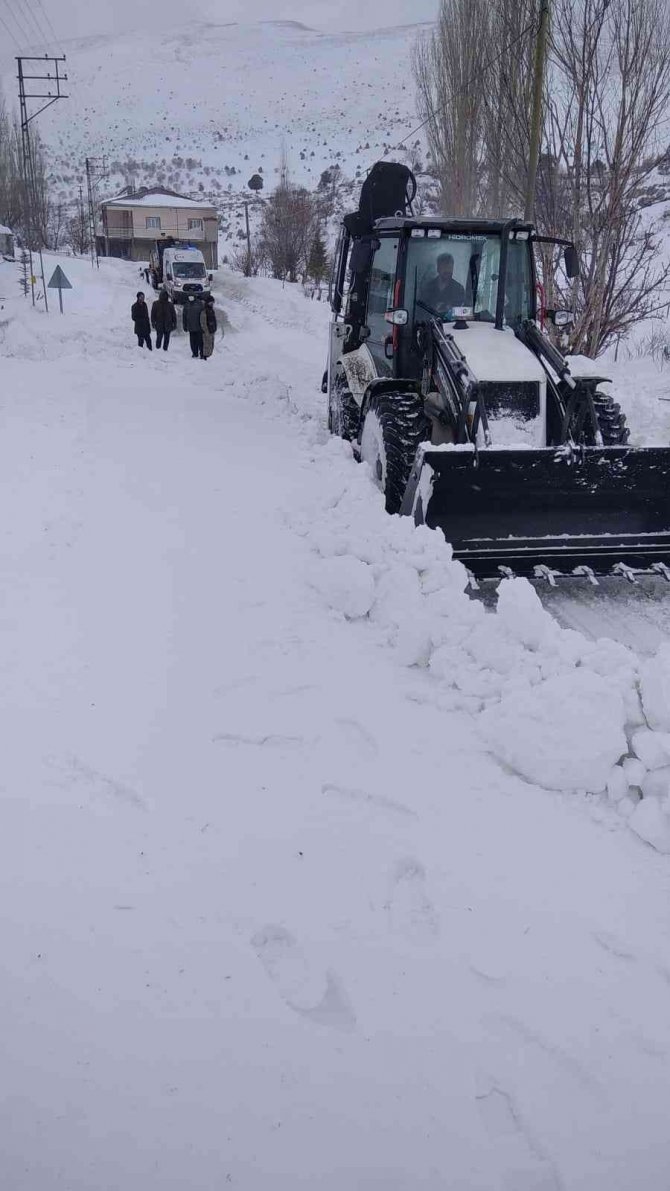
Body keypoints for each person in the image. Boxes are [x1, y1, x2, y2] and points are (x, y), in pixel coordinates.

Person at [182, 293, 205, 358]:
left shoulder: (200, 304)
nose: (190, 298)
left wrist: (205, 325)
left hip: (199, 327)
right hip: (191, 327)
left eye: (191, 296)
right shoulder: (186, 305)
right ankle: (195, 353)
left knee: (200, 341)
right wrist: (185, 326)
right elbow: (184, 316)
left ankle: (202, 354)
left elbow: (204, 315)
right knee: (193, 342)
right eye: (189, 296)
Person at [199, 294, 217, 360]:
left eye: (213, 302)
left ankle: (208, 355)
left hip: (212, 330)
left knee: (211, 344)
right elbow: (203, 322)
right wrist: (206, 331)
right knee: (206, 344)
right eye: (211, 302)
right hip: (207, 331)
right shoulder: (204, 311)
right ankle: (204, 356)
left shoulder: (211, 310)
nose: (212, 304)